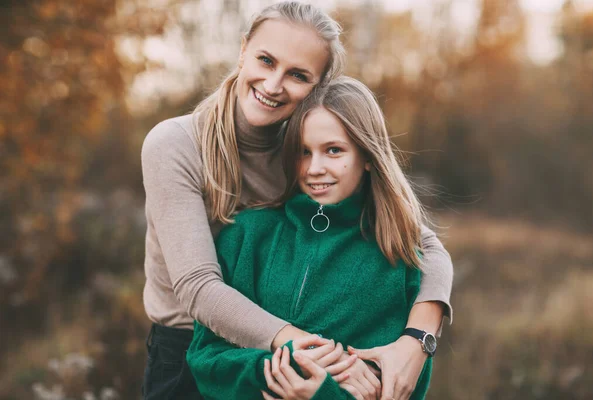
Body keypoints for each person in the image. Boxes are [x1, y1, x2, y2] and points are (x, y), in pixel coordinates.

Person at [141, 2, 453, 399]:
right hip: (194, 351)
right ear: (243, 50)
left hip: (294, 356)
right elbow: (198, 286)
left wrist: (417, 338)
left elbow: (423, 243)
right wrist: (305, 350)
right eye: (266, 60)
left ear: (318, 86)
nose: (273, 85)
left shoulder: (305, 146)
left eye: (298, 75)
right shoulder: (176, 145)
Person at [187, 76, 434, 400]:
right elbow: (204, 357)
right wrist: (276, 372)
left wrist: (322, 394)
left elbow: (401, 387)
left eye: (333, 150)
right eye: (304, 152)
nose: (314, 168)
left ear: (369, 157)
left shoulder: (398, 255)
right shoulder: (246, 235)